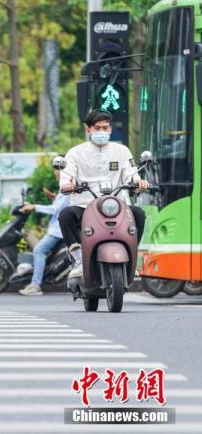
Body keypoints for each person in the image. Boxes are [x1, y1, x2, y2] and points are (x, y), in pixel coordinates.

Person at [58, 110, 148, 290]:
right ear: (89, 129)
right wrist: (66, 184)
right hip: (85, 205)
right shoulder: (75, 153)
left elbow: (131, 175)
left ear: (110, 129)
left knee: (139, 214)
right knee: (66, 215)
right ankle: (78, 260)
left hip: (116, 205)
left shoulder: (122, 151)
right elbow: (65, 177)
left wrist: (139, 182)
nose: (101, 131)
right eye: (97, 128)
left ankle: (131, 257)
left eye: (105, 128)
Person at [18, 167, 69, 296]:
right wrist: (54, 198)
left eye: (59, 169)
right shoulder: (65, 188)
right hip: (58, 228)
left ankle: (35, 285)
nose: (56, 172)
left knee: (39, 250)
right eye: (56, 169)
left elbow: (54, 210)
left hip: (58, 230)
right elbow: (60, 206)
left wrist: (34, 207)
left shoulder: (67, 189)